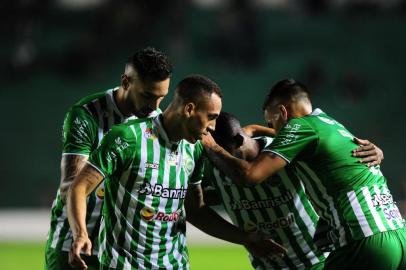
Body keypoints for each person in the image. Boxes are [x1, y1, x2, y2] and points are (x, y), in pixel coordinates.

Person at [67, 75, 285, 270]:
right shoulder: (127, 138)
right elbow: (79, 187)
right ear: (189, 109)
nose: (212, 127)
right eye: (210, 117)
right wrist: (81, 233)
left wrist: (245, 238)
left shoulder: (195, 148)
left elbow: (195, 209)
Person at [202, 79, 406, 270]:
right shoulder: (329, 124)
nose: (274, 130)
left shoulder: (299, 126)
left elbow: (250, 176)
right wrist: (254, 129)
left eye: (272, 123)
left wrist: (213, 147)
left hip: (364, 237)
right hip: (397, 233)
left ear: (283, 112)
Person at [45, 47, 172, 270]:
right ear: (126, 82)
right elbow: (72, 184)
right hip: (74, 242)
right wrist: (80, 233)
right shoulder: (86, 115)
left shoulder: (156, 120)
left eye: (161, 98)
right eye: (147, 96)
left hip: (117, 250)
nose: (154, 106)